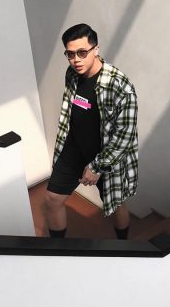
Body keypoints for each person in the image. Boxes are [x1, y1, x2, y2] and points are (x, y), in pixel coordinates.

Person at [44, 23, 138, 239]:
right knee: (52, 199)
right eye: (70, 54)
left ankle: (124, 244)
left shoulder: (120, 86)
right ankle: (57, 251)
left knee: (115, 203)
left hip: (106, 155)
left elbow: (125, 135)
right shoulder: (72, 74)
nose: (76, 59)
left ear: (96, 49)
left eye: (82, 52)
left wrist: (97, 166)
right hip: (74, 148)